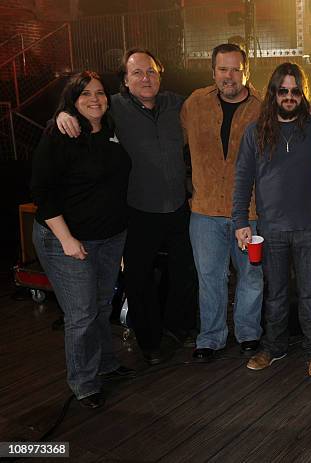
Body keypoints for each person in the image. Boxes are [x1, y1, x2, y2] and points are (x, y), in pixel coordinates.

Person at [57, 49, 198, 365]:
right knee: (139, 280)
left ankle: (178, 329)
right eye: (137, 73)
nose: (146, 78)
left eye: (151, 71)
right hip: (136, 210)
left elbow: (218, 97)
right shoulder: (113, 108)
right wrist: (61, 115)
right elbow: (81, 108)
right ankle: (149, 343)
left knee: (184, 274)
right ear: (124, 80)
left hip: (177, 207)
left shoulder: (177, 104)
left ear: (159, 75)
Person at [31, 71, 133, 409]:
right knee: (82, 313)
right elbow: (43, 195)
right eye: (85, 94)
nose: (95, 99)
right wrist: (68, 241)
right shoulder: (60, 133)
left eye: (100, 93)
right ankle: (84, 382)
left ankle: (105, 363)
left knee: (102, 305)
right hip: (66, 240)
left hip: (109, 237)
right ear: (71, 100)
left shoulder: (111, 129)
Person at [232, 62, 311, 377]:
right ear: (273, 93)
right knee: (275, 295)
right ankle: (275, 348)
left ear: (303, 93)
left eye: (295, 91)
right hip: (270, 231)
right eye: (283, 90)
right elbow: (243, 179)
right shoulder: (255, 131)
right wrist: (240, 221)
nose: (289, 96)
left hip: (309, 229)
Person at [181, 43, 264, 361]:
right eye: (223, 69)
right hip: (204, 212)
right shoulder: (194, 103)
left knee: (251, 276)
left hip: (252, 212)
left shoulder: (262, 107)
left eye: (235, 69)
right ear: (213, 71)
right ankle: (211, 337)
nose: (229, 76)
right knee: (210, 278)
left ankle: (248, 333)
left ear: (246, 71)